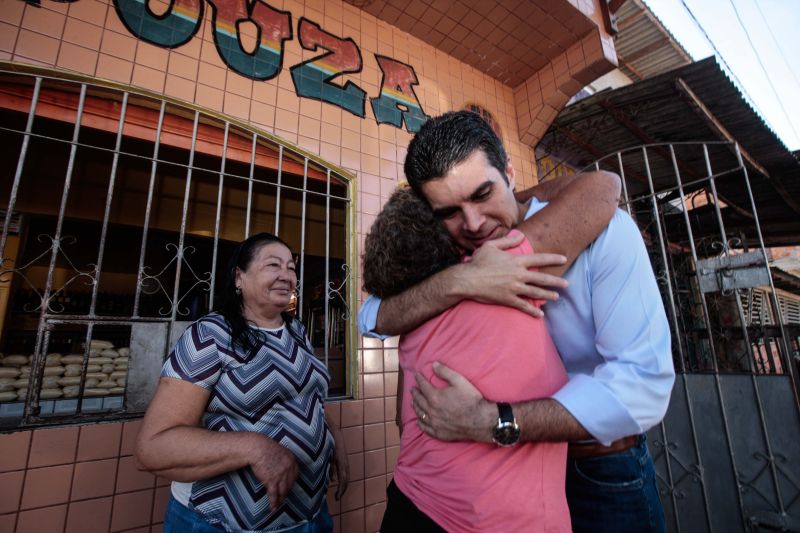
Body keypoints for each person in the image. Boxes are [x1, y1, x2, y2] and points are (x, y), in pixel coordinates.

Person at [358, 111, 675, 533]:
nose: (473, 223)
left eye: (483, 193)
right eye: (449, 211)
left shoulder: (604, 229)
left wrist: (493, 421)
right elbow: (371, 315)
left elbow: (644, 387)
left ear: (509, 171)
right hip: (507, 486)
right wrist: (459, 281)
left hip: (600, 468)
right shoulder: (457, 255)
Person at [364, 185, 605, 531]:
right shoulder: (496, 273)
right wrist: (496, 196)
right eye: (452, 212)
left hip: (408, 503)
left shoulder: (409, 319)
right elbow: (601, 190)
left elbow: (401, 420)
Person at [135, 232, 348, 533]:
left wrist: (332, 437)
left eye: (291, 267)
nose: (286, 275)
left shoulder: (297, 331)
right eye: (273, 265)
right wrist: (256, 448)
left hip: (308, 516)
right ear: (239, 277)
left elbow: (306, 396)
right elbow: (152, 448)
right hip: (219, 524)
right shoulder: (210, 336)